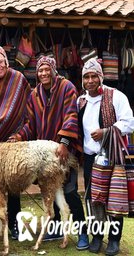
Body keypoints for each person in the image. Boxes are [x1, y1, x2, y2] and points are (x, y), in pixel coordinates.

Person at [9, 56, 89, 250]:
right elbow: (30, 124)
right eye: (40, 70)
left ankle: (82, 233)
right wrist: (20, 136)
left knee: (69, 191)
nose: (44, 73)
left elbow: (71, 115)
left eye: (47, 70)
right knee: (49, 189)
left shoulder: (67, 87)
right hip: (45, 154)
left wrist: (64, 142)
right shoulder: (34, 94)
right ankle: (55, 229)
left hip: (64, 150)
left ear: (54, 70)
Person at [77, 58, 134, 256]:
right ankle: (97, 236)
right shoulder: (81, 100)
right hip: (91, 159)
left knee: (113, 199)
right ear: (83, 80)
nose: (90, 80)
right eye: (86, 77)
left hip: (112, 157)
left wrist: (106, 132)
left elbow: (129, 123)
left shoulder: (116, 96)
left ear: (101, 77)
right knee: (93, 199)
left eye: (94, 76)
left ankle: (114, 239)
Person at [0, 44, 31, 240]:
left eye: (1, 61)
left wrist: (20, 133)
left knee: (14, 185)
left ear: (6, 62)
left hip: (14, 140)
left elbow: (28, 108)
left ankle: (16, 226)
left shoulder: (18, 79)